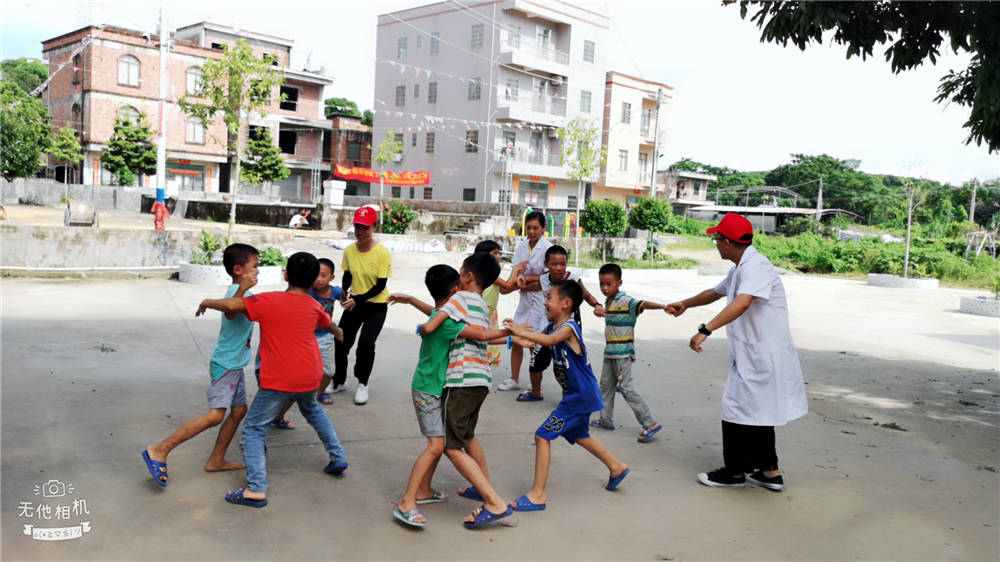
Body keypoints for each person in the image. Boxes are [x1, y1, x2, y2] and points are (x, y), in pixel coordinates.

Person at [666, 213, 807, 491]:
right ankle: (769, 471)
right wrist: (685, 304)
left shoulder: (756, 267)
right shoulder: (741, 268)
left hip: (763, 355)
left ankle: (734, 473)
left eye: (717, 239)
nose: (716, 244)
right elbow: (715, 292)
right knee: (759, 411)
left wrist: (705, 330)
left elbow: (742, 303)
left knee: (736, 409)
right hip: (756, 354)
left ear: (728, 243)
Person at [196, 252, 348, 508]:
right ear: (313, 281)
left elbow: (232, 306)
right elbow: (329, 325)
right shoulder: (314, 305)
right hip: (310, 374)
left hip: (279, 378)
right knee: (313, 411)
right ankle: (338, 456)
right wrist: (339, 332)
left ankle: (256, 489)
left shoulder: (267, 300)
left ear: (286, 276)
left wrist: (207, 301)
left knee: (253, 430)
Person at [387, 264, 517, 528]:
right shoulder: (448, 323)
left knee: (439, 442)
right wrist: (513, 333)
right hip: (428, 389)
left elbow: (443, 317)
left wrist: (410, 300)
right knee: (437, 446)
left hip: (432, 387)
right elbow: (480, 334)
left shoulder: (443, 318)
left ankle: (423, 491)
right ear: (456, 290)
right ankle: (407, 501)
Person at [503, 280, 631, 512]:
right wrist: (518, 337)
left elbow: (551, 341)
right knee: (579, 435)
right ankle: (616, 466)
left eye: (549, 298)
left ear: (566, 303)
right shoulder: (552, 327)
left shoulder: (568, 327)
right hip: (578, 395)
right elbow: (537, 340)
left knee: (542, 435)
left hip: (579, 397)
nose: (545, 302)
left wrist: (519, 331)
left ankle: (538, 494)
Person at [141, 244, 259, 487]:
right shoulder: (237, 292)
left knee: (238, 411)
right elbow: (230, 310)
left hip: (235, 364)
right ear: (238, 270)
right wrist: (210, 300)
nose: (258, 271)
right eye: (254, 266)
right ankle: (160, 449)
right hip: (226, 364)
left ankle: (216, 460)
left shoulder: (243, 292)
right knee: (215, 416)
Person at [420, 252, 513, 528]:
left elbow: (435, 320)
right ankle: (482, 487)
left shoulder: (459, 298)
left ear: (467, 277)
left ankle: (494, 502)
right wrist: (511, 335)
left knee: (451, 446)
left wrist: (425, 328)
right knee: (468, 437)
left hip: (462, 381)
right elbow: (480, 334)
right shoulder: (483, 306)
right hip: (481, 380)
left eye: (460, 274)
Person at [591, 263, 670, 443]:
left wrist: (663, 307)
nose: (605, 288)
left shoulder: (626, 301)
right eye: (602, 284)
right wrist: (600, 310)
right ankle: (605, 419)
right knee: (605, 386)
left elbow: (643, 304)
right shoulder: (608, 302)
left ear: (619, 283)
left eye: (609, 284)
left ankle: (650, 423)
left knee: (626, 388)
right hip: (609, 353)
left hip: (623, 355)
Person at [516, 245, 604, 402]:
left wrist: (597, 305)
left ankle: (570, 394)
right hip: (548, 328)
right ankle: (536, 392)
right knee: (535, 362)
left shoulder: (573, 279)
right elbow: (538, 285)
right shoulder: (544, 279)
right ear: (546, 265)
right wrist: (524, 288)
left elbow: (586, 295)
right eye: (554, 264)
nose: (559, 268)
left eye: (563, 264)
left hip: (566, 329)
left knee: (563, 367)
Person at [267, 257, 343, 427]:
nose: (319, 279)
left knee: (329, 371)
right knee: (296, 382)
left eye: (324, 275)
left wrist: (349, 301)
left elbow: (344, 297)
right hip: (305, 337)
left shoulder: (335, 291)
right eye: (316, 275)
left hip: (325, 337)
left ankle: (314, 396)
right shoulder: (306, 293)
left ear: (331, 277)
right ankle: (280, 414)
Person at [335, 206, 391, 405]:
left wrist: (357, 299)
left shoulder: (382, 253)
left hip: (376, 305)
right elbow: (347, 274)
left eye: (365, 228)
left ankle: (362, 383)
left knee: (366, 344)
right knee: (341, 340)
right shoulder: (350, 250)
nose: (360, 232)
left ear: (374, 227)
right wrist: (343, 292)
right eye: (358, 227)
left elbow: (380, 286)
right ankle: (339, 380)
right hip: (354, 303)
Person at [495, 211, 552, 395]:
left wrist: (528, 279)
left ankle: (535, 383)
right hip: (525, 298)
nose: (532, 231)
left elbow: (548, 274)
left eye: (536, 228)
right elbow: (517, 268)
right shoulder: (522, 246)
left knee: (534, 341)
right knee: (517, 336)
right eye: (528, 228)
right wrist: (520, 276)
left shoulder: (547, 248)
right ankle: (514, 378)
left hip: (540, 299)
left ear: (543, 228)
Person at [473, 240, 526, 371]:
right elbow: (507, 285)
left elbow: (503, 290)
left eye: (499, 253)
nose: (498, 256)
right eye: (495, 253)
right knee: (487, 339)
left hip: (491, 311)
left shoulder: (490, 271)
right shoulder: (486, 271)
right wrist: (516, 269)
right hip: (485, 311)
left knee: (488, 341)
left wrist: (516, 285)